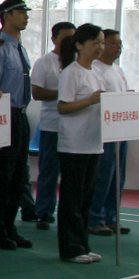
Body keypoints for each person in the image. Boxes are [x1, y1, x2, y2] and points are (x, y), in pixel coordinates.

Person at [53, 25, 107, 265]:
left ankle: (83, 244)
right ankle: (70, 248)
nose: (100, 47)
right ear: (79, 45)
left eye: (101, 42)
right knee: (72, 200)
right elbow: (63, 106)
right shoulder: (71, 73)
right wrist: (89, 100)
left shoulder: (96, 72)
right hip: (74, 145)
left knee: (86, 199)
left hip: (93, 142)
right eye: (95, 42)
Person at [0, 0, 35, 249]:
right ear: (6, 16)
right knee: (2, 177)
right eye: (21, 12)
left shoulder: (20, 48)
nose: (26, 17)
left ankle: (9, 227)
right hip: (5, 115)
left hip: (21, 116)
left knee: (18, 177)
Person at [87, 29, 135, 238]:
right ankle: (95, 218)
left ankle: (111, 217)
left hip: (120, 130)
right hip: (104, 131)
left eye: (120, 43)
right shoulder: (95, 69)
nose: (118, 47)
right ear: (102, 44)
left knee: (117, 177)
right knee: (103, 176)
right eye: (114, 43)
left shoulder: (118, 70)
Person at [29, 21, 76, 231]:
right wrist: (65, 93)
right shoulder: (44, 62)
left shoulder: (78, 63)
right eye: (65, 37)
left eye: (73, 37)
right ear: (54, 39)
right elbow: (37, 92)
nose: (69, 41)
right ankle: (44, 213)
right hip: (52, 125)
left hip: (76, 127)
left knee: (72, 175)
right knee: (49, 171)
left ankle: (71, 213)